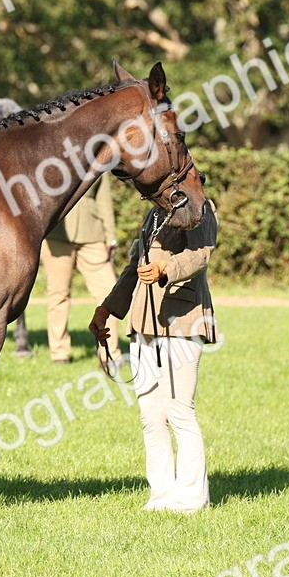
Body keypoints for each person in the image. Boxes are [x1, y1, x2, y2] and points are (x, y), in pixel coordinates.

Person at [89, 200, 219, 513]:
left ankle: (191, 499)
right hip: (143, 320)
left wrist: (166, 269)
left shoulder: (200, 207)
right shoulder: (154, 212)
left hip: (185, 319)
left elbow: (202, 254)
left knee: (179, 410)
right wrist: (107, 309)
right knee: (150, 414)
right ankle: (161, 496)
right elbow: (135, 266)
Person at [41, 174, 123, 364]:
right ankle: (59, 353)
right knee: (58, 295)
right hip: (57, 234)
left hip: (92, 234)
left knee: (108, 293)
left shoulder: (97, 159)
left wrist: (110, 235)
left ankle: (110, 353)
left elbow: (104, 200)